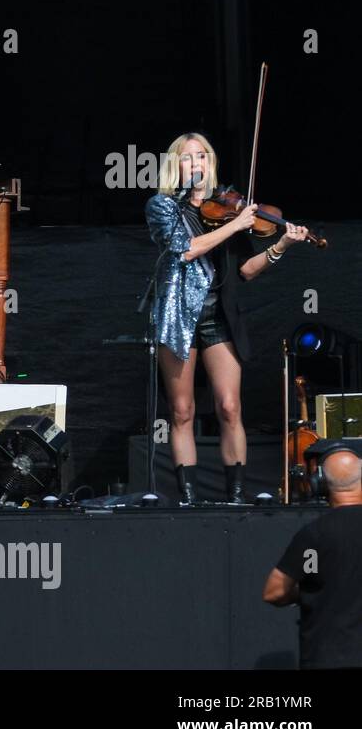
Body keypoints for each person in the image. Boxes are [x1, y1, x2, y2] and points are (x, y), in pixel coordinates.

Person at [145, 132, 307, 504]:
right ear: (176, 165)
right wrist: (236, 224)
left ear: (210, 163)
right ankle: (188, 498)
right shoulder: (162, 206)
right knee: (182, 410)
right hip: (178, 316)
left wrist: (280, 245)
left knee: (230, 406)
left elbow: (246, 270)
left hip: (218, 314)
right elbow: (184, 250)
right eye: (188, 158)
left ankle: (236, 494)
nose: (196, 163)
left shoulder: (227, 206)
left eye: (202, 156)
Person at [264, 447, 362, 669]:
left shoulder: (314, 536)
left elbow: (274, 591)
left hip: (327, 657)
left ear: (320, 484)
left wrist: (309, 590)